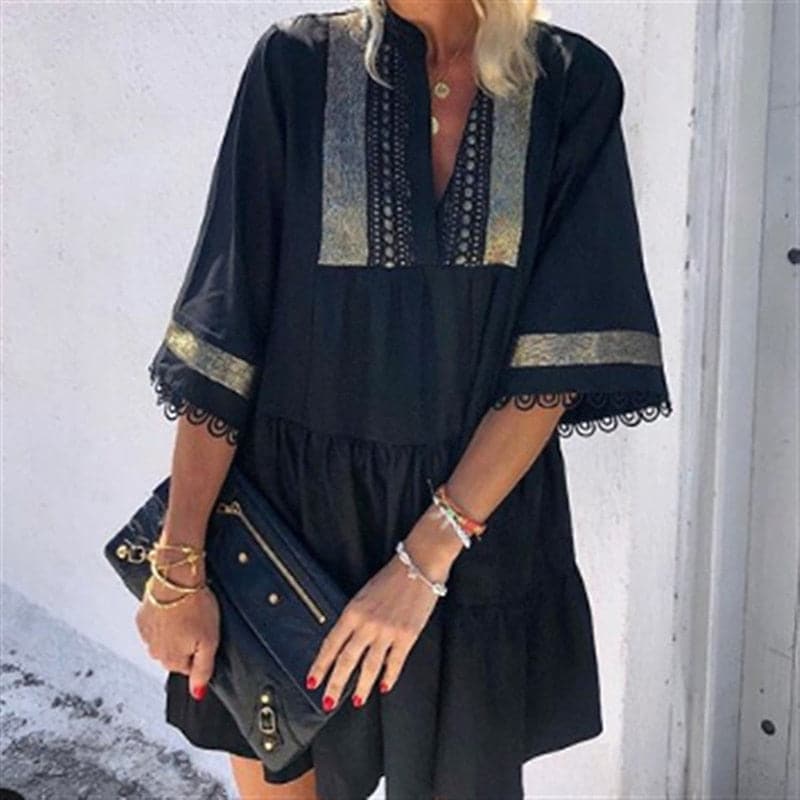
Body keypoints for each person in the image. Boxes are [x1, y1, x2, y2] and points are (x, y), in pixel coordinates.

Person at [134, 0, 673, 798]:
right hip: (287, 536)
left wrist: (423, 563)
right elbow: (225, 335)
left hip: (475, 532)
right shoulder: (295, 66)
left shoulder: (570, 83)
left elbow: (555, 359)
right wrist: (177, 567)